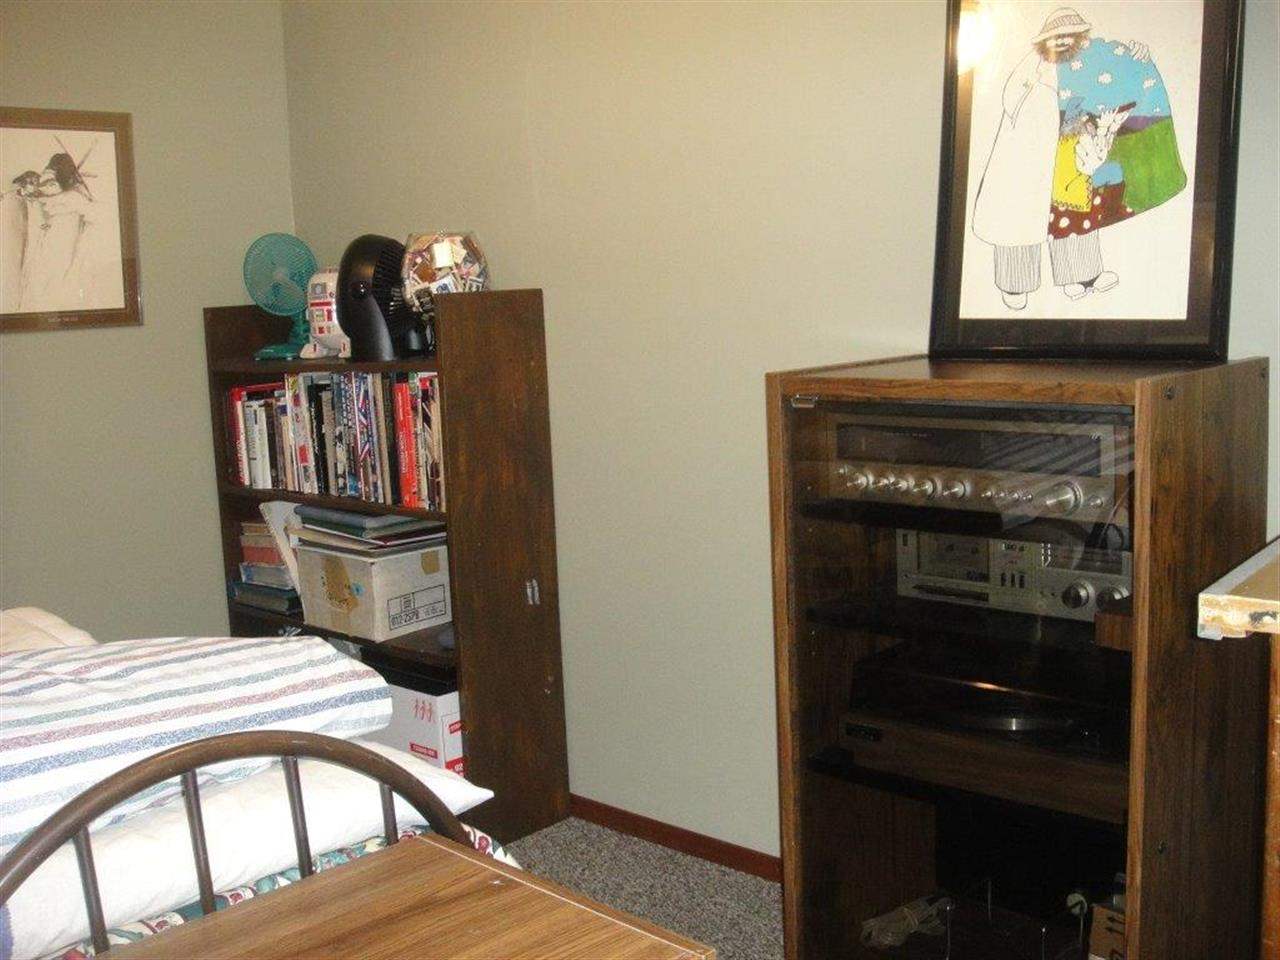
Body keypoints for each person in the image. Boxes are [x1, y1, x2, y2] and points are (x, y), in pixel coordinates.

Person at [972, 8, 1184, 309]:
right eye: (1054, 36)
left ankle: (1080, 275)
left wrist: (1139, 56)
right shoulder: (1030, 68)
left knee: (1073, 205)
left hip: (1065, 151)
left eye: (1068, 35)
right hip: (1024, 155)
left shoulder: (1084, 65)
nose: (1061, 41)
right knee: (1017, 215)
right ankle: (1015, 285)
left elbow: (1116, 70)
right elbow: (1012, 101)